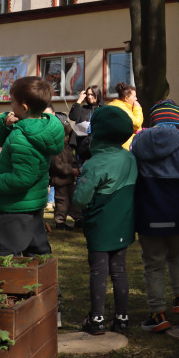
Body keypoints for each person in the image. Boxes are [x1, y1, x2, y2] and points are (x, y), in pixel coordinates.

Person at [130, 99, 179, 333]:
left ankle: (157, 314)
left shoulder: (138, 144)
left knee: (153, 265)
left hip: (148, 212)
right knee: (177, 257)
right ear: (177, 123)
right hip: (178, 213)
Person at [71, 105, 138, 335]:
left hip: (100, 225)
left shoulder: (94, 163)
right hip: (124, 223)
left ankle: (97, 318)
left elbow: (81, 199)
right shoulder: (129, 158)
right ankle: (122, 318)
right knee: (119, 270)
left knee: (98, 271)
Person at [0, 76, 65, 258]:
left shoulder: (23, 137)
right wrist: (5, 123)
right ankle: (45, 286)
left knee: (8, 258)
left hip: (15, 206)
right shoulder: (35, 128)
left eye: (12, 102)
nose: (10, 106)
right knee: (37, 254)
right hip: (31, 203)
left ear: (24, 107)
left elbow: (22, 178)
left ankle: (19, 287)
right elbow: (0, 138)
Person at [69, 85, 102, 161]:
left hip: (98, 147)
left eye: (92, 94)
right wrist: (79, 101)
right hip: (82, 147)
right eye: (88, 94)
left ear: (98, 94)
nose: (90, 97)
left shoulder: (103, 109)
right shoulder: (83, 109)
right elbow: (73, 117)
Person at [107, 82, 143, 149]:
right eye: (134, 96)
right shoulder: (123, 108)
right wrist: (137, 108)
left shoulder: (113, 105)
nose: (136, 99)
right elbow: (137, 124)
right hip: (125, 146)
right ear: (126, 98)